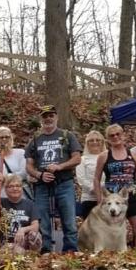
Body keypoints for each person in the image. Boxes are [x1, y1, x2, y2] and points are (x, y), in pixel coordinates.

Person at [25, 105, 82, 253]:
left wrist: (60, 167)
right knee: (43, 221)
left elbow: (77, 158)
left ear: (56, 117)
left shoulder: (67, 135)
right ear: (41, 120)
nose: (48, 119)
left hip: (64, 183)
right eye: (45, 116)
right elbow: (29, 166)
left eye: (51, 115)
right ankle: (45, 252)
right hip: (42, 185)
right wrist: (39, 175)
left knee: (69, 220)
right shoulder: (35, 139)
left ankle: (71, 252)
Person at [94, 124, 136, 247]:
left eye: (118, 134)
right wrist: (99, 199)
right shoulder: (104, 156)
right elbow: (96, 179)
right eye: (112, 135)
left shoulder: (134, 154)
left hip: (131, 195)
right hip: (112, 198)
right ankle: (113, 259)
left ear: (123, 135)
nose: (115, 137)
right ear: (107, 139)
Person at [0, 174, 42, 253]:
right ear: (5, 189)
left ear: (22, 188)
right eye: (11, 186)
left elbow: (35, 226)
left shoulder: (30, 204)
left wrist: (23, 230)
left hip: (24, 241)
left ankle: (32, 255)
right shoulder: (1, 202)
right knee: (14, 252)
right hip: (7, 242)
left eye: (18, 186)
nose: (15, 188)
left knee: (34, 234)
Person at [0, 126, 29, 200]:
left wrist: (6, 177)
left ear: (11, 138)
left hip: (21, 198)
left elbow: (24, 173)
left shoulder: (21, 153)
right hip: (3, 199)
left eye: (7, 137)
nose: (4, 139)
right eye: (1, 137)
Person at [76, 130, 106, 220]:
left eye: (98, 140)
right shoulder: (82, 159)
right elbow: (81, 179)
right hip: (88, 198)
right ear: (87, 143)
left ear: (102, 142)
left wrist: (101, 188)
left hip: (106, 198)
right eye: (91, 140)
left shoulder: (108, 157)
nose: (95, 142)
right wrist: (94, 189)